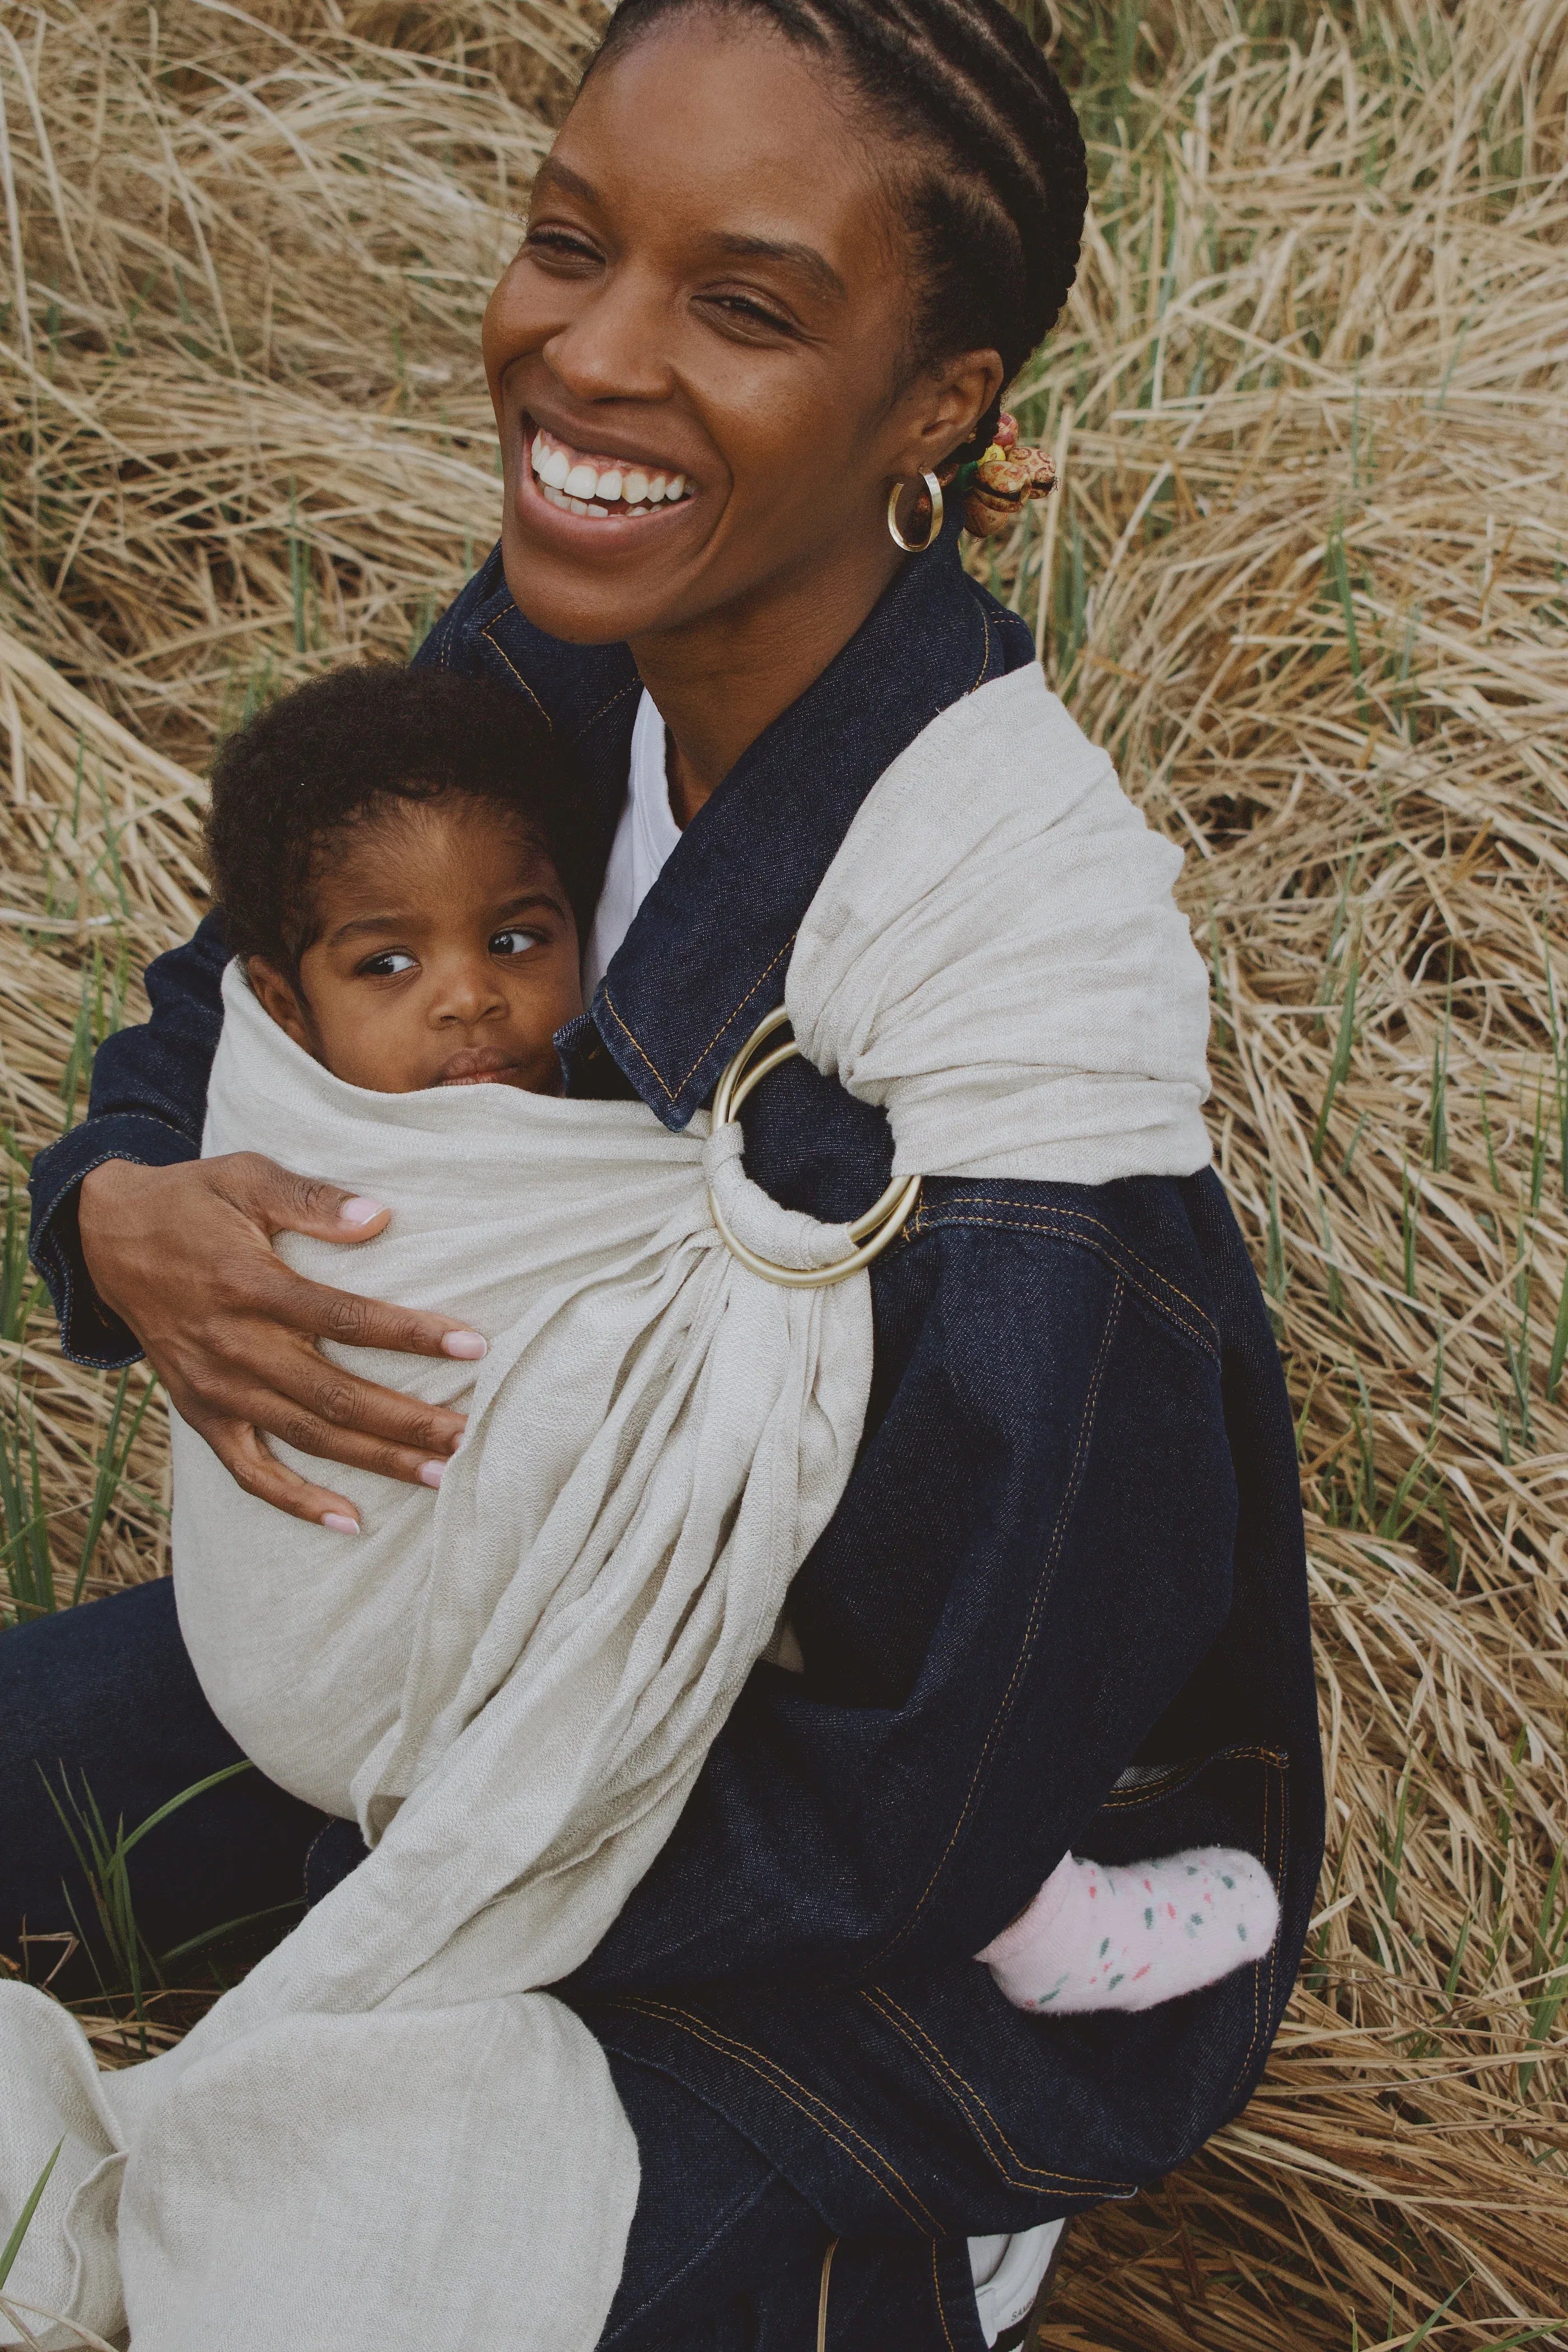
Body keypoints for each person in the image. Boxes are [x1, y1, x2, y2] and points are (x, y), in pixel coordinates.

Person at [3, 0, 1323, 2344]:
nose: (588, 356)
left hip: (871, 1886)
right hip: (485, 1646)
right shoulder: (555, 661)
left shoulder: (1011, 992)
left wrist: (436, 1884)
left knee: (336, 2253)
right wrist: (113, 1207)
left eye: (743, 304)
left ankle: (923, 2234)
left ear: (943, 406)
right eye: (564, 243)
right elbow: (251, 982)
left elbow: (967, 1745)